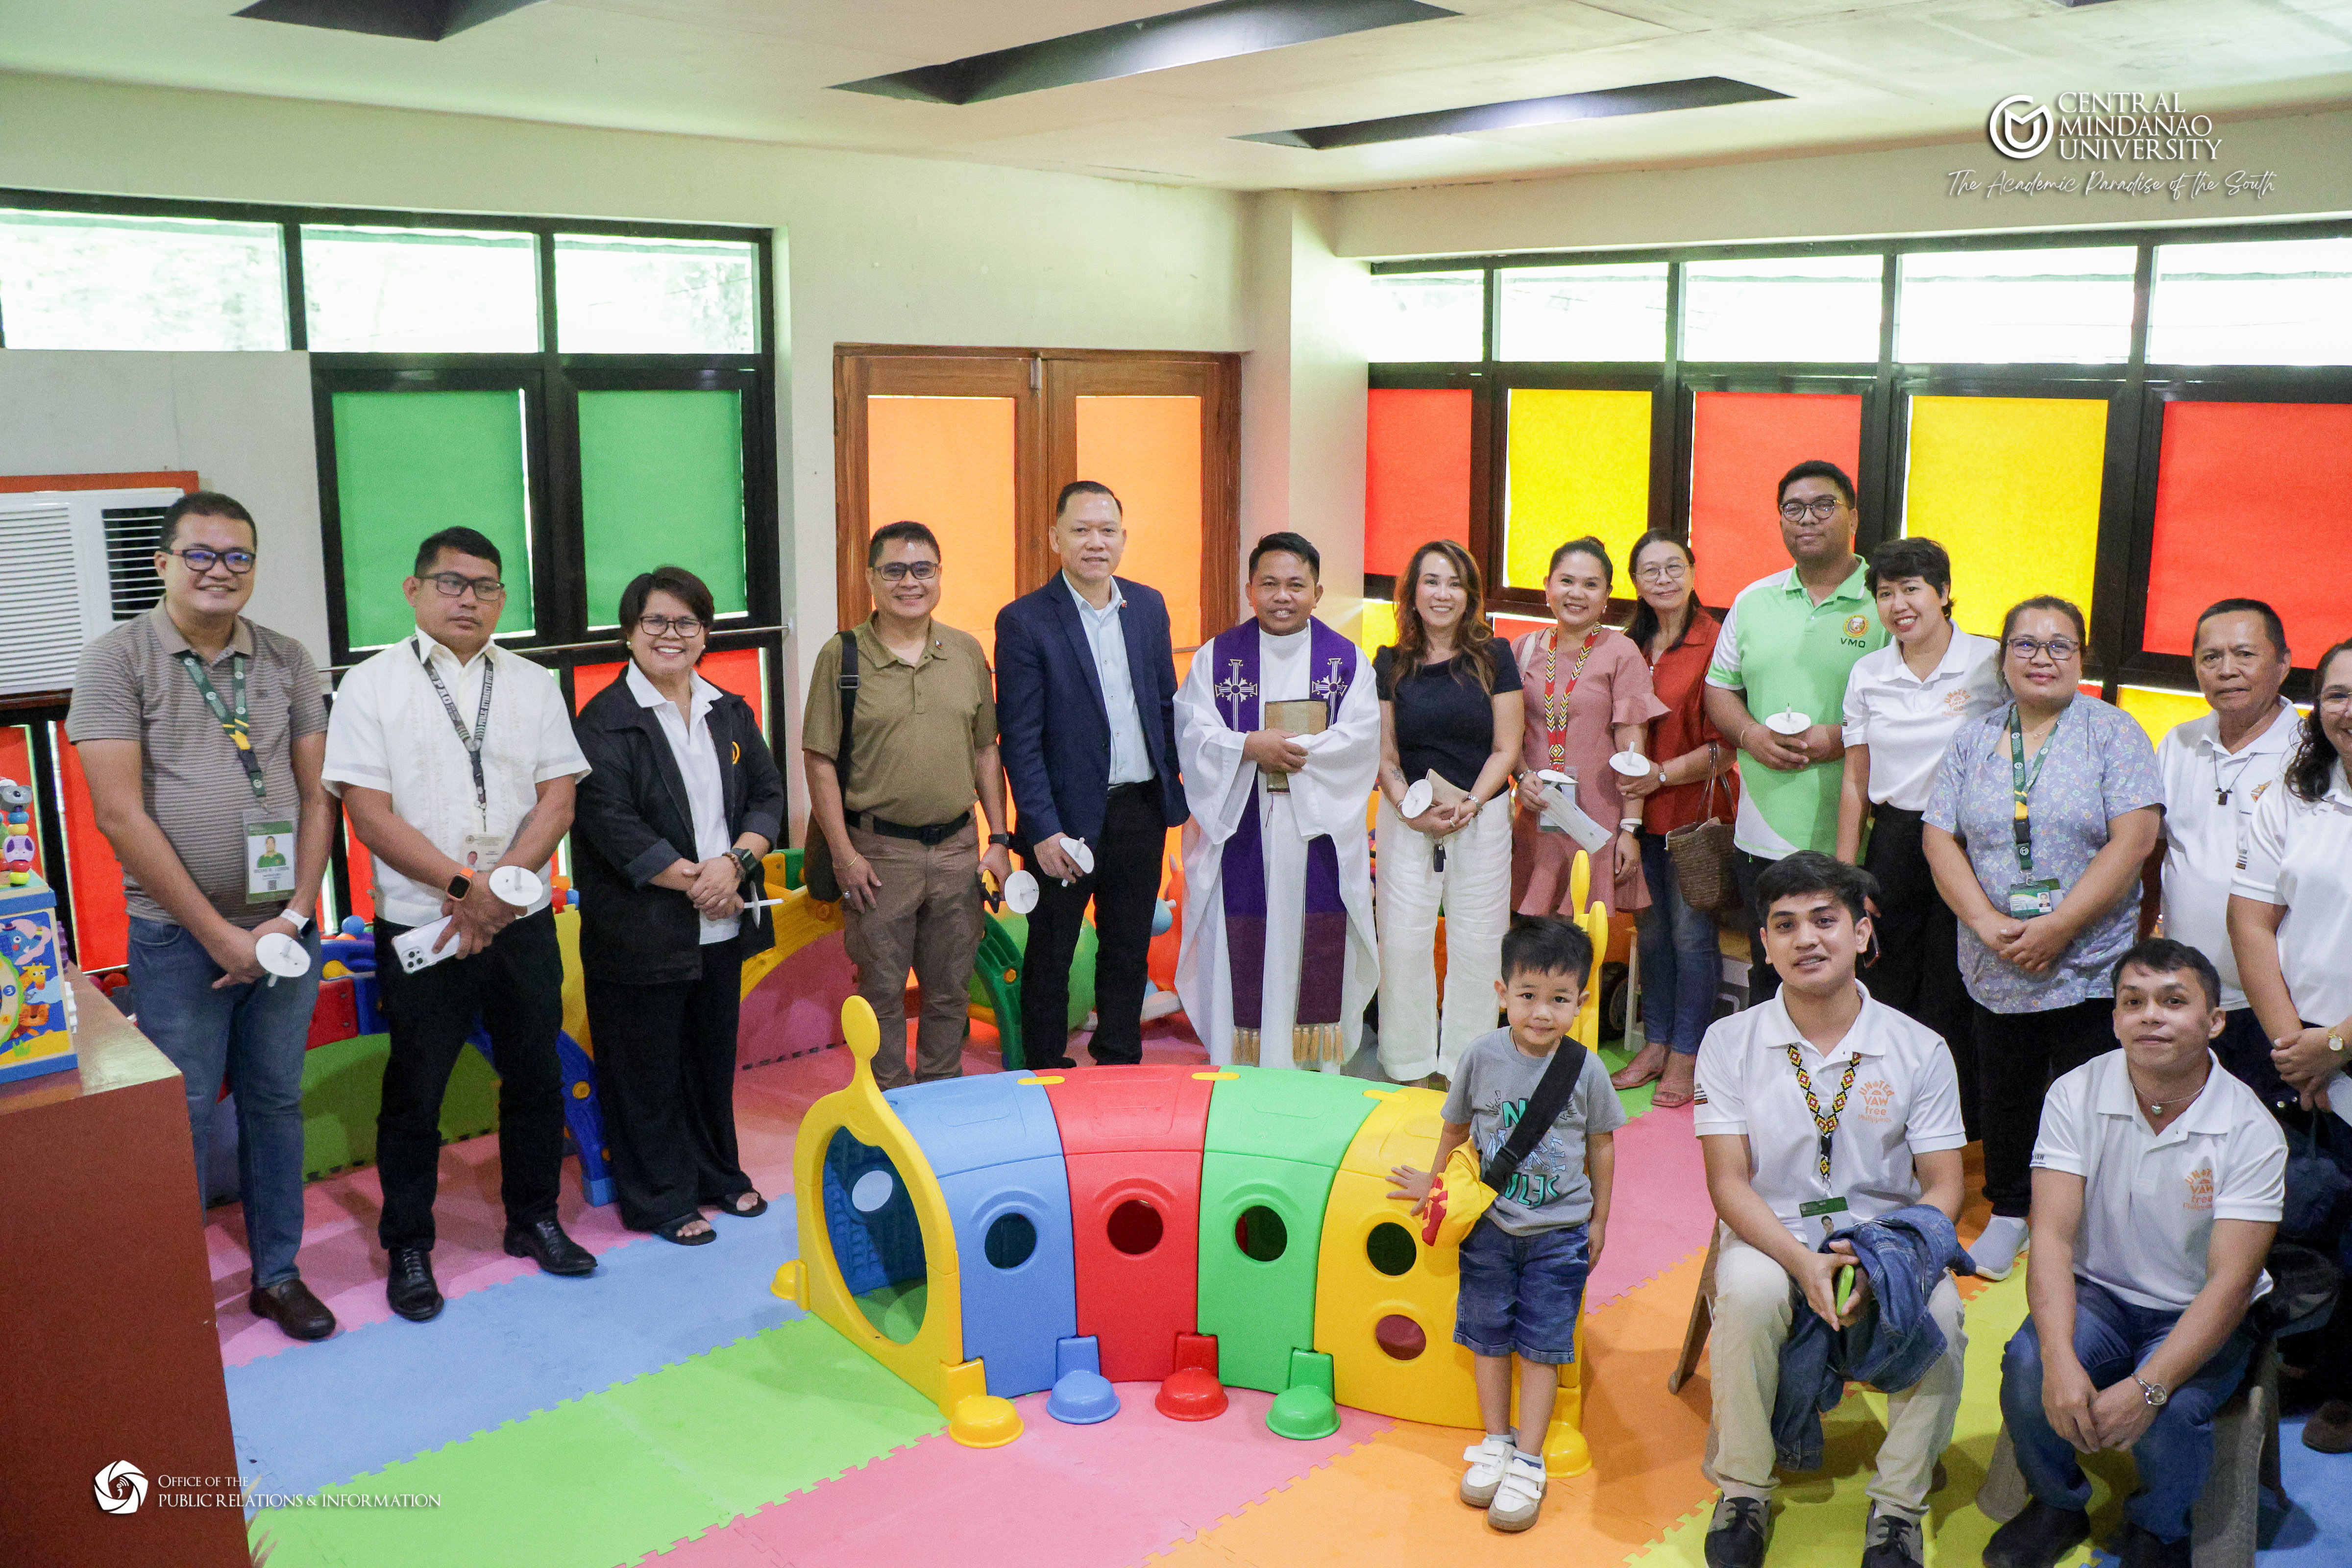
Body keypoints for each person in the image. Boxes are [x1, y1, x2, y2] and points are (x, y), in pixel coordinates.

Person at [66, 491, 337, 1343]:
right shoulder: (117, 659)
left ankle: (279, 1275)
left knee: (275, 1103)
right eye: (202, 554)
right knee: (178, 1112)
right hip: (179, 939)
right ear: (163, 563)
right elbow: (119, 816)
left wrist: (295, 914)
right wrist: (218, 936)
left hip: (285, 936)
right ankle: (174, 1291)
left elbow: (318, 797)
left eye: (239, 556)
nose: (221, 570)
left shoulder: (287, 658)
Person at [323, 526, 595, 1322]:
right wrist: (462, 887)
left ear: (503, 599)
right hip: (423, 923)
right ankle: (409, 1245)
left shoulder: (533, 684)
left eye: (484, 586)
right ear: (414, 591)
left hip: (520, 920)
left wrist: (498, 892)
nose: (468, 599)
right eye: (451, 583)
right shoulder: (371, 686)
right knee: (416, 1090)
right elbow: (367, 814)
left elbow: (558, 801)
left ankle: (534, 1218)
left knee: (536, 1075)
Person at [1693, 852, 1969, 1568]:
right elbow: (1728, 1183)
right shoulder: (1730, 1041)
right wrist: (1801, 1262)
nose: (1806, 939)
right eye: (1785, 925)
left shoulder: (1920, 1048)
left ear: (1861, 932)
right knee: (1749, 1291)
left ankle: (1899, 1506)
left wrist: (1884, 1260)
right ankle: (1744, 1489)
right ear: (1764, 943)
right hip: (1773, 1232)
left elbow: (1945, 1187)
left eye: (1824, 920)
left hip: (1886, 1238)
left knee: (1943, 1313)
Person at [1985, 939, 2284, 1568]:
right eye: (2133, 1001)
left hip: (2197, 1309)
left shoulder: (2252, 1128)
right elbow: (2052, 1237)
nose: (2151, 1015)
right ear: (2116, 1017)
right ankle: (2057, 1502)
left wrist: (2150, 1385)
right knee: (2029, 1365)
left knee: (2171, 1415)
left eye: (2173, 1001)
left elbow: (2232, 1283)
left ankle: (2159, 1527)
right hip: (2100, 1293)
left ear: (2214, 1020)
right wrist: (2061, 1360)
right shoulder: (2075, 1093)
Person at [1922, 596, 2163, 1280]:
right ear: (2003, 658)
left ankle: (2092, 1220)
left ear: (2081, 658)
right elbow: (1939, 835)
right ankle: (2010, 1208)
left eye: (2060, 645)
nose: (2042, 658)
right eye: (2025, 644)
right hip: (1996, 954)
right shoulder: (1974, 738)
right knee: (2006, 1087)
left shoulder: (2113, 732)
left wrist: (2059, 927)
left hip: (2089, 957)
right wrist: (1982, 920)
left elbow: (2135, 839)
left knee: (2093, 1094)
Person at [1388, 917, 1625, 1534]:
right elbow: (1455, 1128)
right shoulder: (1481, 1056)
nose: (1542, 1012)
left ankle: (1529, 1459)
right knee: (1487, 1336)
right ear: (1502, 993)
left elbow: (1602, 1145)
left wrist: (1600, 1218)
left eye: (1559, 998)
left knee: (1543, 1346)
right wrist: (1435, 1185)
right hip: (1489, 1227)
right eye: (1528, 995)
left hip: (1559, 1231)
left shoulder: (1587, 1070)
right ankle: (1496, 1439)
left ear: (1582, 1001)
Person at [572, 566, 785, 1243]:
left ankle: (718, 1174)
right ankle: (661, 1198)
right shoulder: (603, 721)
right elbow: (612, 824)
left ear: (705, 633)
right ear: (630, 632)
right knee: (646, 1071)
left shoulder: (730, 708)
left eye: (687, 622)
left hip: (721, 920)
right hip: (642, 929)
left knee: (710, 1061)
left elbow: (768, 795)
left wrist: (736, 864)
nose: (672, 634)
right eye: (656, 621)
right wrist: (701, 880)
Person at [804, 522, 1013, 1086]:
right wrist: (845, 855)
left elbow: (985, 749)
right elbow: (819, 760)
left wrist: (999, 839)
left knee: (951, 988)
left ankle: (940, 1097)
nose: (910, 582)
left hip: (958, 850)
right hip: (877, 854)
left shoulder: (966, 651)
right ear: (871, 578)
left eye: (923, 569)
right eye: (894, 570)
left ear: (939, 575)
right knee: (881, 992)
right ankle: (889, 1106)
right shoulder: (842, 655)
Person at [995, 482, 1185, 1067]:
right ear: (1055, 538)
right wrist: (1042, 829)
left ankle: (1119, 1061)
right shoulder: (1025, 621)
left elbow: (1164, 706)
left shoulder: (1148, 606)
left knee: (1128, 947)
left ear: (1124, 538)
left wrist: (1176, 788)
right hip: (1064, 820)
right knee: (1052, 949)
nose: (1095, 542)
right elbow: (1020, 739)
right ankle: (1044, 1068)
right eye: (1080, 530)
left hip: (1140, 809)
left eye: (1107, 531)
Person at [1174, 533, 1379, 1070]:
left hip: (1313, 832)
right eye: (1269, 584)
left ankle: (1308, 1068)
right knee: (1243, 950)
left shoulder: (1346, 662)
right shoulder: (1217, 658)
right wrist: (1248, 746)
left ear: (1317, 592)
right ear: (1250, 589)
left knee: (1305, 944)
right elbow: (1193, 733)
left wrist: (1283, 752)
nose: (1282, 596)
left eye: (1295, 585)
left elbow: (1361, 741)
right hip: (1240, 829)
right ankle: (1241, 1064)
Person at [2229, 634, 2352, 1453]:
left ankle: (2349, 1385)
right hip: (2303, 1053)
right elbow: (2250, 921)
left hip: (2332, 1047)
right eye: (2339, 694)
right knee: (2305, 1221)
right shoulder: (2292, 798)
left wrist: (2337, 1042)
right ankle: (2313, 1363)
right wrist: (2295, 1046)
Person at [1703, 461, 1888, 1005]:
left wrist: (1843, 737)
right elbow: (1719, 689)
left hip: (1862, 836)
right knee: (1772, 976)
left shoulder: (1886, 601)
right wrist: (1749, 734)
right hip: (1763, 833)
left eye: (1824, 505)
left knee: (1859, 980)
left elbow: (1914, 705)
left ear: (1853, 516)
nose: (1808, 518)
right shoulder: (1753, 600)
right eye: (1794, 508)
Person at [1835, 537, 2002, 1136]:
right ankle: (1884, 1118)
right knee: (1888, 979)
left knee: (1956, 984)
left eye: (1912, 589)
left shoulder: (1990, 661)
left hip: (1971, 842)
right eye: (1886, 593)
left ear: (1944, 592)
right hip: (1897, 840)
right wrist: (1845, 876)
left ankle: (1959, 1128)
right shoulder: (1869, 672)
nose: (1899, 604)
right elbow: (1855, 780)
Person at [1374, 539, 1524, 1087]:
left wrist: (1473, 803)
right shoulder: (1389, 662)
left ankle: (1466, 1068)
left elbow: (1507, 747)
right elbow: (1385, 755)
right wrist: (1410, 812)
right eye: (1432, 581)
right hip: (1408, 818)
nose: (1443, 594)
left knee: (1478, 947)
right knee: (1403, 944)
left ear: (1471, 596)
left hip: (1481, 815)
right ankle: (1408, 1065)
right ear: (1412, 593)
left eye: (1455, 583)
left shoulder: (1495, 656)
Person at [2147, 599, 2299, 1106]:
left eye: (2244, 654)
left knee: (2276, 1139)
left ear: (2283, 663)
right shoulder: (2179, 742)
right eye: (2211, 657)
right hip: (2187, 995)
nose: (2226, 670)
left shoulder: (2312, 754)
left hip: (2280, 1001)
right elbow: (2154, 855)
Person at [1611, 531, 1740, 1107]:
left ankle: (1688, 1052)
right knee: (1653, 936)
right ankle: (1656, 1042)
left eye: (1673, 567)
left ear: (1692, 571)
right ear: (1635, 583)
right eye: (1650, 570)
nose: (1662, 579)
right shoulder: (1627, 646)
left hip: (1694, 818)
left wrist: (1660, 775)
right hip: (1634, 818)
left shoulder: (1717, 641)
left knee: (1692, 937)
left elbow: (1727, 747)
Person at [1508, 536, 1664, 922]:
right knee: (1531, 932)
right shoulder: (1522, 649)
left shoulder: (1621, 652)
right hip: (1536, 813)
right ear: (1547, 585)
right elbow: (1506, 735)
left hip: (1596, 821)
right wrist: (1522, 776)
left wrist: (1630, 829)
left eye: (1591, 585)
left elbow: (1632, 752)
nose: (1577, 593)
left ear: (1607, 595)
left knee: (1580, 934)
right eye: (1567, 581)